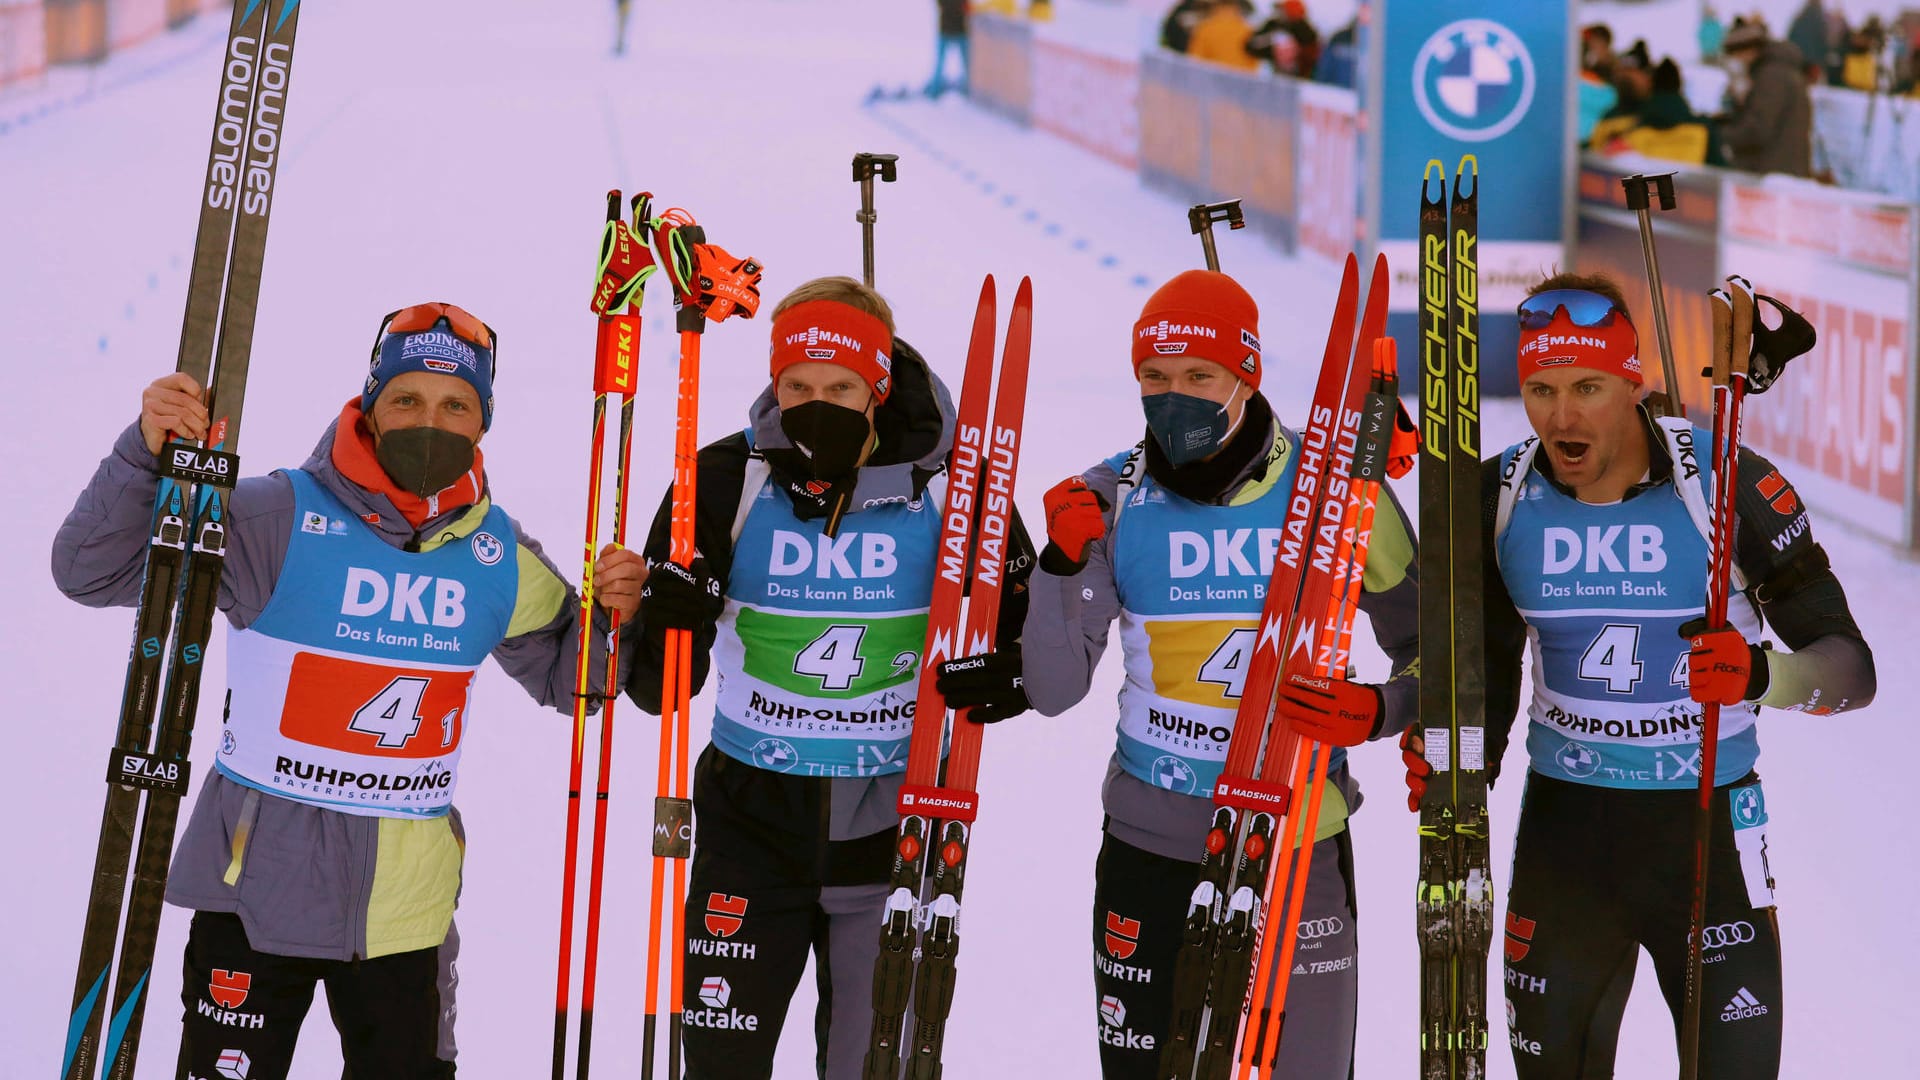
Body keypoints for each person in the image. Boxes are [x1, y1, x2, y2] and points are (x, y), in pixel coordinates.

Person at [51, 303, 645, 1077]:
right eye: (407, 399)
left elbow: (579, 686)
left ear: (481, 423)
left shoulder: (497, 554)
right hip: (252, 898)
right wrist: (143, 455)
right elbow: (91, 573)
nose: (429, 421)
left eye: (454, 405)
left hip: (404, 920)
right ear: (370, 403)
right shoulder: (272, 515)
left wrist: (615, 617)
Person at [940, 271, 1420, 1078]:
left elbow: (1432, 645)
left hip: (1298, 844)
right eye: (1154, 380)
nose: (1174, 399)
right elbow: (1054, 692)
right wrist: (1061, 563)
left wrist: (1377, 710)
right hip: (1152, 843)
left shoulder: (1339, 493)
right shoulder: (1110, 497)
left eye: (1199, 377)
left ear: (1247, 376)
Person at [1412, 273, 1876, 1078]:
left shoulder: (1723, 482)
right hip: (1567, 837)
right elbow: (1484, 672)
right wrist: (1452, 757)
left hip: (1708, 840)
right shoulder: (1497, 495)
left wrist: (1761, 674)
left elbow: (1851, 668)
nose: (1563, 416)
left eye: (1588, 387)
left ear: (1632, 383)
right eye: (1540, 389)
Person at [625, 276, 1033, 1079]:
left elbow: (1023, 641)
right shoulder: (720, 479)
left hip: (896, 824)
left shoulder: (957, 486)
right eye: (798, 386)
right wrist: (667, 616)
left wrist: (1008, 675)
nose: (818, 403)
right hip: (750, 822)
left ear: (878, 389)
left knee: (870, 1066)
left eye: (842, 387)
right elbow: (657, 691)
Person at [1719, 23, 1814, 177]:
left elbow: (1758, 129)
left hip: (1774, 174)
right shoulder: (1777, 72)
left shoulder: (1772, 77)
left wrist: (1719, 135)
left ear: (1747, 51)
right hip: (1782, 169)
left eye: (1735, 55)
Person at [1595, 58, 1725, 166]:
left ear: (1651, 86)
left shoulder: (1627, 130)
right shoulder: (1703, 130)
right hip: (1689, 195)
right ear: (1679, 87)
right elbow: (1722, 176)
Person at [1186, 0, 1261, 74]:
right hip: (1241, 83)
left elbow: (1195, 63)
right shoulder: (1249, 31)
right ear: (1236, 7)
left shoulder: (1205, 30)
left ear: (1216, 6)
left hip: (1213, 82)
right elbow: (1254, 66)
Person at [925, 0, 970, 99]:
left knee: (941, 64)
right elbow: (967, 8)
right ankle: (935, 90)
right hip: (956, 30)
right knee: (966, 63)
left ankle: (935, 91)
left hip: (949, 29)